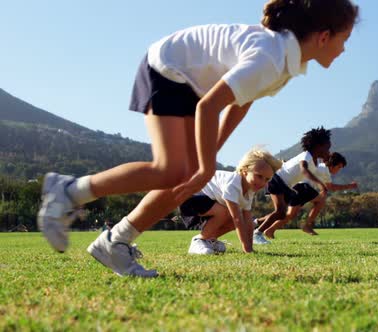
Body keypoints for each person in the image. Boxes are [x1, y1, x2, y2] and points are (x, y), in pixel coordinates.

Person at [36, 0, 360, 277]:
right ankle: (67, 191)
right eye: (345, 39)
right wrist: (206, 167)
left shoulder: (286, 60)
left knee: (183, 174)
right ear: (323, 36)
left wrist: (212, 151)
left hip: (189, 82)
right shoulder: (272, 58)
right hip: (168, 68)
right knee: (171, 170)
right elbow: (210, 106)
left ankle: (115, 242)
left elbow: (240, 104)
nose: (346, 48)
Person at [178, 148, 282, 255]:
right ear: (245, 171)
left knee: (236, 217)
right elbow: (237, 219)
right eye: (259, 176)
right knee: (227, 213)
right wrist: (247, 249)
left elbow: (247, 220)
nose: (262, 183)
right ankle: (199, 241)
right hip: (190, 197)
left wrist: (250, 247)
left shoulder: (250, 189)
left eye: (267, 179)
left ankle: (209, 240)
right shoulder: (233, 184)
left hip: (208, 202)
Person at [253, 127, 331, 244]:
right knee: (280, 211)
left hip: (287, 186)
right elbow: (303, 170)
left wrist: (326, 160)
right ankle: (257, 234)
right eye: (327, 147)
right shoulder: (306, 155)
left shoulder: (315, 162)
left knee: (282, 213)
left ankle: (254, 223)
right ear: (318, 146)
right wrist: (320, 184)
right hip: (277, 180)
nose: (329, 150)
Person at [264, 152, 358, 238]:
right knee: (320, 200)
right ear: (333, 165)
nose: (339, 170)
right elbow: (331, 187)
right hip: (302, 188)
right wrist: (350, 186)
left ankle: (268, 229)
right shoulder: (324, 170)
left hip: (299, 188)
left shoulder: (321, 167)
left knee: (289, 215)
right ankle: (307, 225)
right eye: (339, 167)